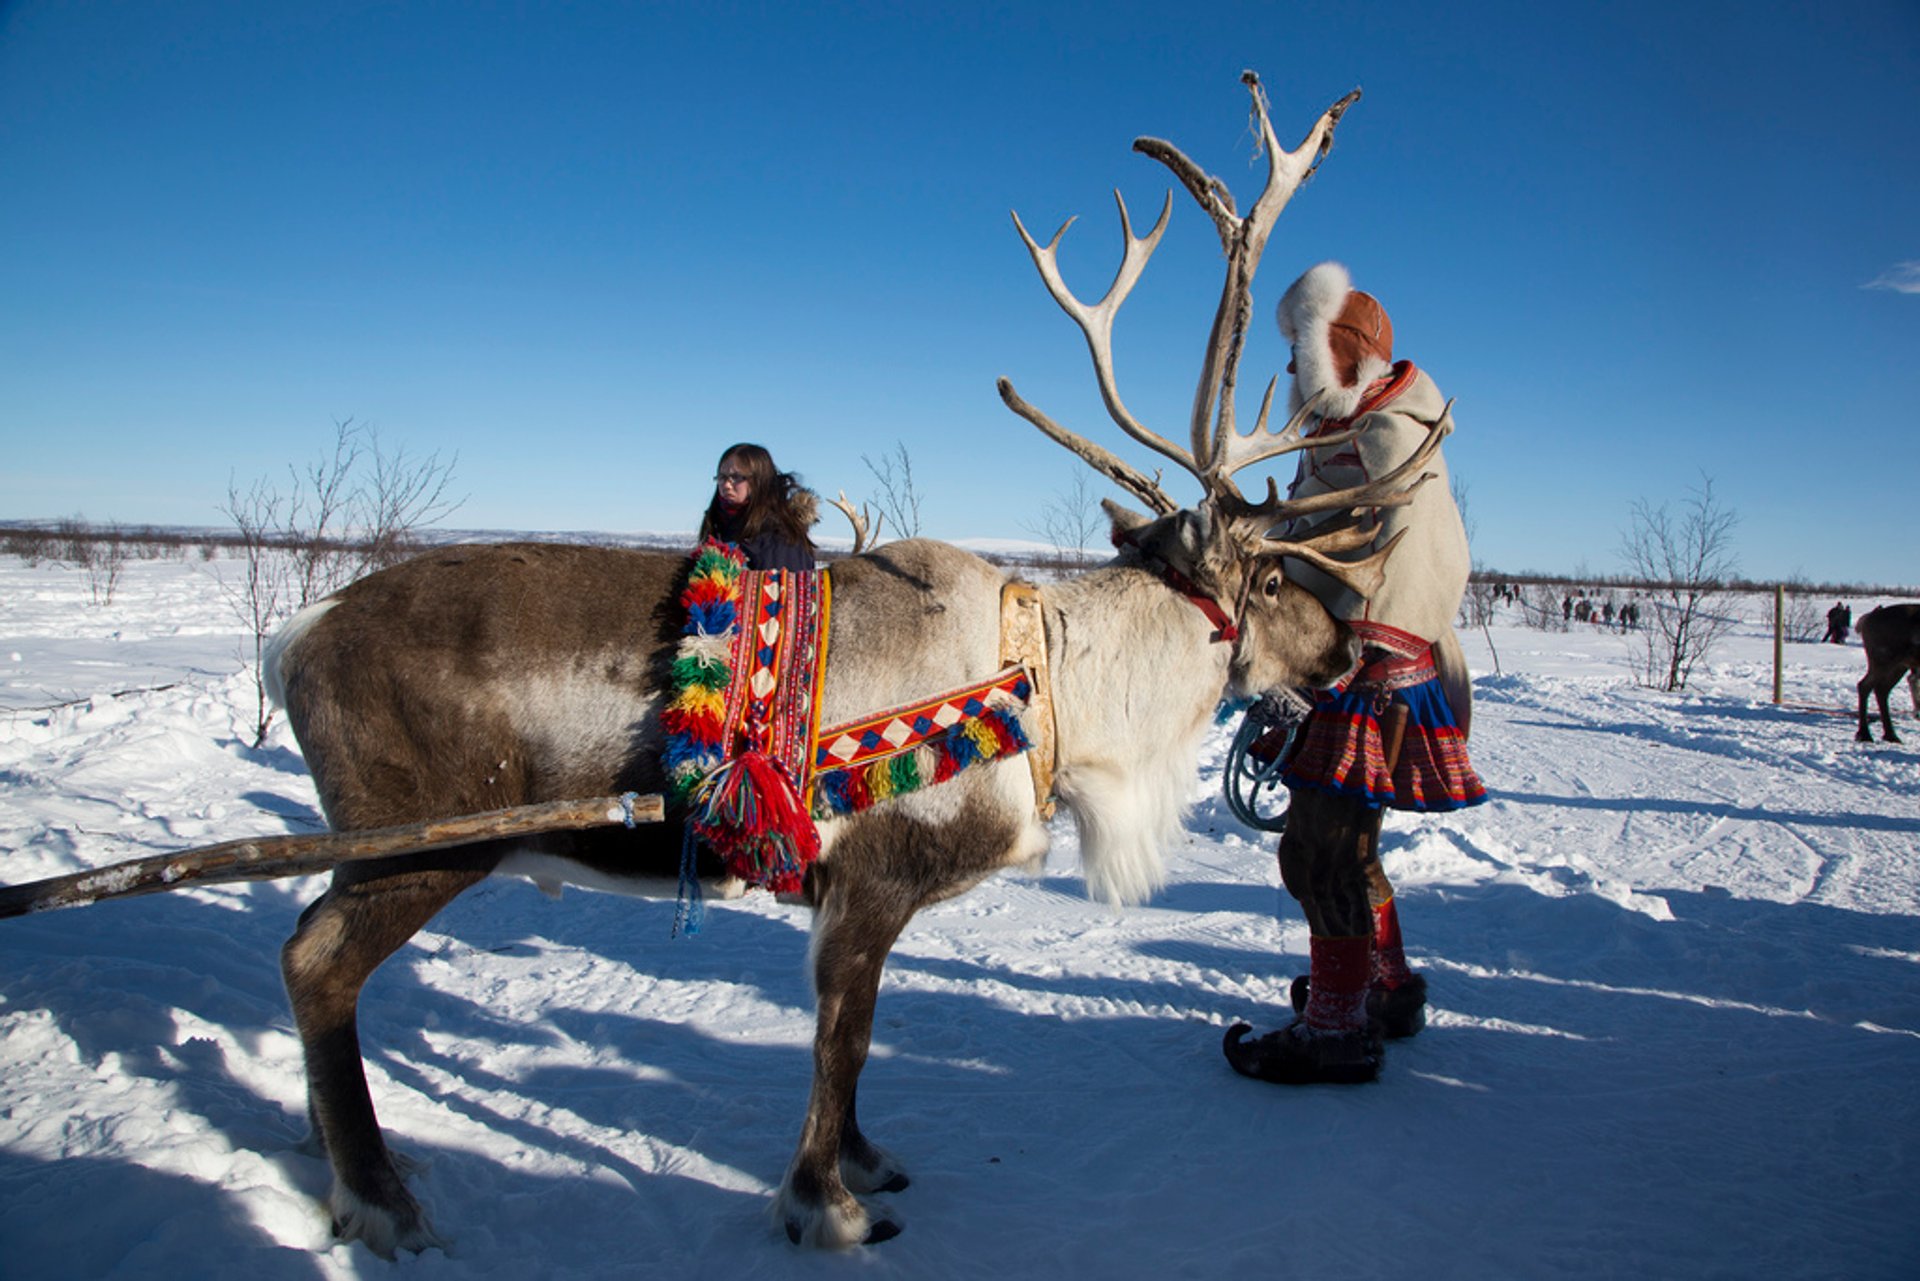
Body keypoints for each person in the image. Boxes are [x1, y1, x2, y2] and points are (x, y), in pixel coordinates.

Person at [1223, 262, 1485, 1087]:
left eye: (1306, 354)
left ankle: (1336, 1027)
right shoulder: (1355, 432)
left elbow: (1410, 562)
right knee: (1353, 851)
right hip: (1346, 670)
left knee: (1319, 855)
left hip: (1361, 675)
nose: (1297, 372)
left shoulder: (1391, 439)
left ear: (1341, 355)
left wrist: (1328, 668)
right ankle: (1386, 984)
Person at [697, 443, 817, 572]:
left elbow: (786, 589)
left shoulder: (781, 539)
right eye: (722, 477)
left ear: (759, 481)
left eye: (736, 477)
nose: (726, 485)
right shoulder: (717, 525)